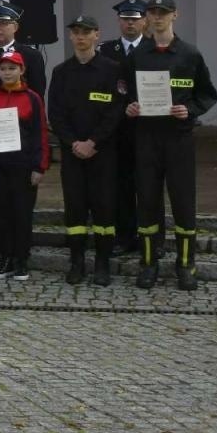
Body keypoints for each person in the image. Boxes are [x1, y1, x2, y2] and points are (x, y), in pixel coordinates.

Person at [124, 0, 217, 290]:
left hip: (178, 138)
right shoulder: (138, 56)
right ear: (148, 17)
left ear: (174, 15)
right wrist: (130, 106)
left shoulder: (190, 54)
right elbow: (124, 90)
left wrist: (188, 110)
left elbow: (207, 94)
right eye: (153, 12)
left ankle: (185, 264)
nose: (158, 17)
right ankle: (149, 264)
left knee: (183, 202)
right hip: (147, 138)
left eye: (163, 12)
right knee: (148, 201)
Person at [47, 15, 125, 286]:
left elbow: (115, 112)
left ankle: (102, 263)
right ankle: (77, 261)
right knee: (75, 209)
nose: (80, 37)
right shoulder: (61, 72)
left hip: (102, 153)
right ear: (70, 37)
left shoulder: (112, 70)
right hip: (73, 154)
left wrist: (93, 142)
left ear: (97, 35)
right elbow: (55, 114)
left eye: (86, 32)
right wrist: (72, 143)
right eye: (76, 32)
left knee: (104, 209)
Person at [0, 51, 48, 281]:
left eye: (12, 68)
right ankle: (5, 257)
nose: (7, 73)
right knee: (1, 213)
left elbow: (41, 133)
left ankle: (21, 259)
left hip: (23, 166)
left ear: (21, 70)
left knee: (21, 214)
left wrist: (40, 166)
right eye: (3, 69)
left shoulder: (32, 98)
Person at [99, 0, 149, 255]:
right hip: (117, 129)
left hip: (149, 128)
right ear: (119, 21)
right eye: (125, 19)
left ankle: (153, 239)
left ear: (145, 21)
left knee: (149, 185)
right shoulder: (107, 50)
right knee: (121, 185)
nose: (130, 23)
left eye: (135, 18)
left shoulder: (155, 47)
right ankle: (124, 235)